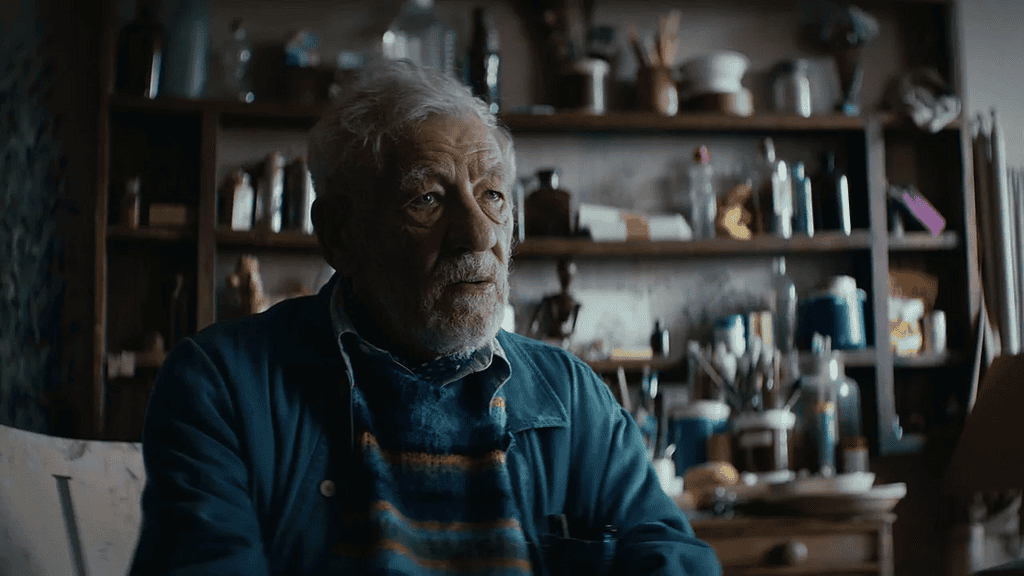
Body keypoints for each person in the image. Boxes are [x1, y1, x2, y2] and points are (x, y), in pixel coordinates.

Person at [129, 59, 721, 576]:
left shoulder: (572, 399)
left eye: (491, 195)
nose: (476, 235)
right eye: (427, 199)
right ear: (339, 234)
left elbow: (671, 557)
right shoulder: (222, 386)